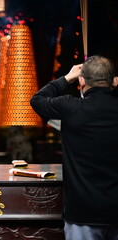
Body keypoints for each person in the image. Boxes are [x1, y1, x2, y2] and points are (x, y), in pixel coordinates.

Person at [30, 55, 118, 240]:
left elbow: (37, 100)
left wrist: (66, 78)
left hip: (83, 213)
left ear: (82, 81)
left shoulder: (70, 107)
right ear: (115, 81)